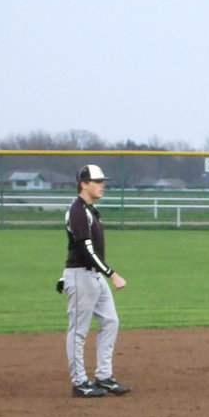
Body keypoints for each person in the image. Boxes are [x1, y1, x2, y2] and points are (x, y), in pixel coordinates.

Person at [62, 164, 131, 398]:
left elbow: (76, 247)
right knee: (79, 331)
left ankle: (104, 376)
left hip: (92, 275)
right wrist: (112, 274)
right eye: (97, 181)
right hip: (83, 275)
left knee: (110, 321)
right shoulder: (78, 211)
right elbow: (85, 248)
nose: (102, 185)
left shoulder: (88, 210)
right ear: (84, 184)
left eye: (103, 181)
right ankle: (80, 382)